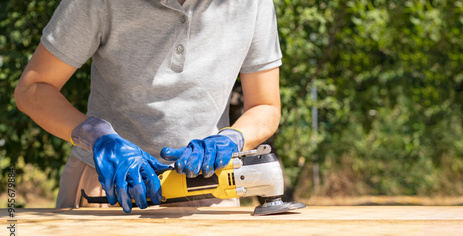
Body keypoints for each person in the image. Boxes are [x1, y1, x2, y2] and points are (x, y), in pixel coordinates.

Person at [14, 0, 282, 213]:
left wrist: (231, 139)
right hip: (106, 188)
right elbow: (33, 89)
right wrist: (96, 136)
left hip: (209, 190)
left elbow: (265, 106)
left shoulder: (252, 3)